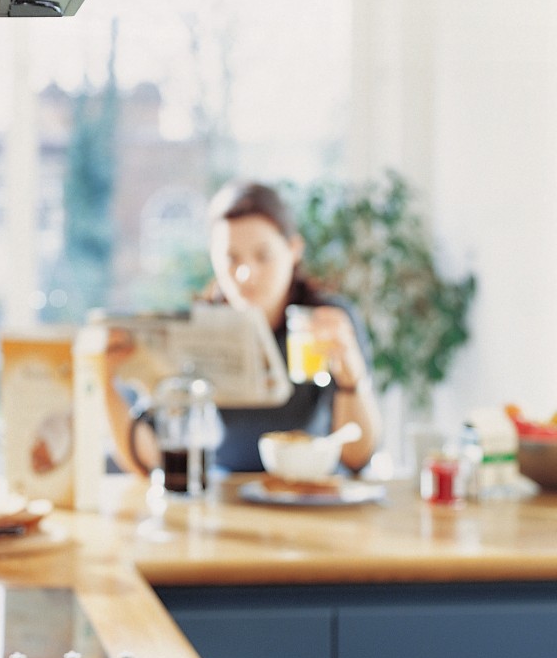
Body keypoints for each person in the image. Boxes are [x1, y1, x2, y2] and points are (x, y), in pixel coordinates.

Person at [104, 180, 382, 475]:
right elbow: (152, 459)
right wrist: (102, 381)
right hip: (223, 502)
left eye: (263, 256)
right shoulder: (197, 330)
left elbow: (356, 457)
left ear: (293, 250)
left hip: (308, 495)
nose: (246, 274)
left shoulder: (327, 322)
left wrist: (352, 375)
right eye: (231, 258)